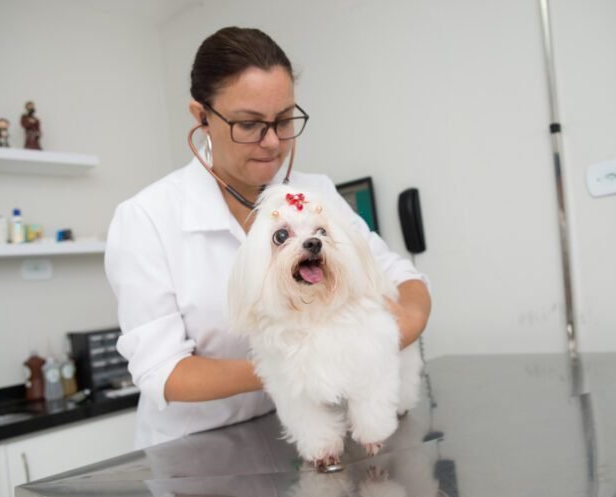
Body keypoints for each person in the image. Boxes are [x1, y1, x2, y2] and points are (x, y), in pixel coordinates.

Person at [105, 26, 432, 449]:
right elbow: (163, 373)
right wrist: (290, 366)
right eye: (249, 124)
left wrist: (390, 334)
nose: (273, 142)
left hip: (311, 434)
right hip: (202, 450)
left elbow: (400, 278)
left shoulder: (317, 194)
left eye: (284, 120)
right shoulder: (146, 218)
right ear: (201, 116)